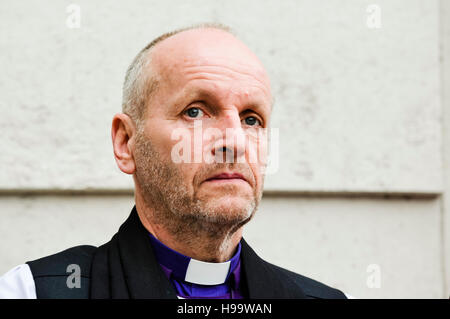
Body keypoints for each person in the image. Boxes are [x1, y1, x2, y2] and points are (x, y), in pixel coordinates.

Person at [0, 23, 349, 299]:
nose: (234, 141)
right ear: (126, 142)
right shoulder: (35, 291)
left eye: (251, 119)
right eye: (195, 111)